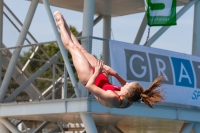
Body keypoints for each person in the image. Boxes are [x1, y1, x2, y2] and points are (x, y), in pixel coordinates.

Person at [54, 11, 165, 108]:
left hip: (89, 78)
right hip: (100, 77)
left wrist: (96, 72)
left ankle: (60, 23)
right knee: (81, 49)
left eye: (127, 85)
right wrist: (115, 74)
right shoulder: (130, 97)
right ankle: (63, 25)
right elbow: (128, 86)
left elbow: (90, 86)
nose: (125, 83)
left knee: (72, 48)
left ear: (126, 92)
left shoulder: (113, 98)